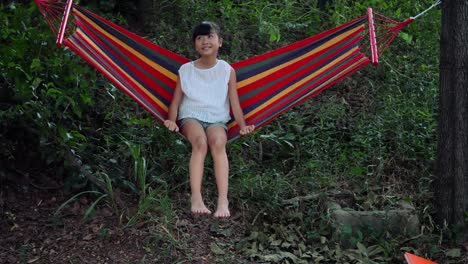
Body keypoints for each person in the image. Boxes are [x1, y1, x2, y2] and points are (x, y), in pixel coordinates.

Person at [164, 21, 255, 218]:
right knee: (200, 143)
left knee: (218, 142)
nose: (205, 41)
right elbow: (176, 100)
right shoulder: (186, 70)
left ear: (220, 42)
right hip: (191, 116)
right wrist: (172, 120)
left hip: (217, 119)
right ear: (195, 44)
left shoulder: (226, 70)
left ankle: (223, 201)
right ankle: (196, 197)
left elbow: (234, 102)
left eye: (209, 36)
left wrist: (242, 125)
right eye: (199, 38)